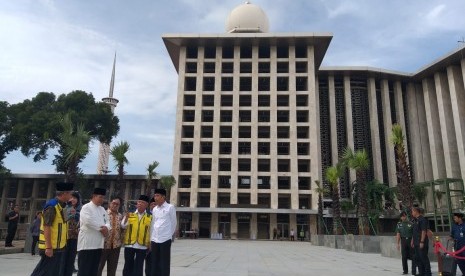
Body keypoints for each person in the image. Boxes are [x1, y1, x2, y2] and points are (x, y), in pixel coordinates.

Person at [31, 182, 74, 276]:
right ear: (64, 193)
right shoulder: (51, 206)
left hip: (59, 246)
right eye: (70, 193)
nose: (71, 196)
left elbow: (69, 218)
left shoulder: (63, 206)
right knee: (42, 272)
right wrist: (48, 247)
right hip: (51, 247)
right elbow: (47, 227)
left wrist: (70, 204)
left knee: (53, 272)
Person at [77, 187, 110, 276]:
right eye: (100, 197)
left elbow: (107, 222)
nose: (102, 199)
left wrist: (106, 228)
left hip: (98, 245)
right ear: (94, 196)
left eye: (103, 198)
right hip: (87, 245)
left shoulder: (102, 209)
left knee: (94, 271)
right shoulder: (86, 207)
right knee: (84, 271)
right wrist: (102, 228)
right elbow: (88, 221)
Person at [122, 195, 152, 276]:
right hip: (130, 244)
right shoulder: (130, 214)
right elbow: (123, 226)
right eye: (139, 202)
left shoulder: (150, 216)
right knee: (128, 266)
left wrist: (150, 243)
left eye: (142, 202)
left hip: (142, 245)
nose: (140, 204)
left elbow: (151, 231)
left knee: (139, 267)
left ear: (146, 205)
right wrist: (126, 218)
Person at [150, 189, 176, 276]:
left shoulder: (170, 207)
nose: (155, 198)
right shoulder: (154, 209)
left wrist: (168, 236)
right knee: (154, 262)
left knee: (164, 263)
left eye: (157, 196)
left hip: (165, 239)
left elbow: (173, 223)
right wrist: (151, 238)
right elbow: (153, 223)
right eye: (154, 196)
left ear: (163, 197)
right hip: (154, 239)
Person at [97, 196, 124, 276]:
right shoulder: (103, 214)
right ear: (110, 203)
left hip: (115, 247)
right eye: (114, 203)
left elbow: (122, 229)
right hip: (103, 245)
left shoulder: (121, 216)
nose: (115, 205)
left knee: (112, 270)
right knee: (99, 268)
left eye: (117, 204)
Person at [61, 191, 81, 276]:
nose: (73, 199)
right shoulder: (64, 207)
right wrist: (68, 208)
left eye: (75, 198)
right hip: (64, 237)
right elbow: (64, 218)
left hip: (75, 237)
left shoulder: (81, 209)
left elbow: (79, 219)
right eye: (71, 197)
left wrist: (74, 212)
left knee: (71, 258)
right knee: (63, 258)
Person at [411, 207, 431, 276]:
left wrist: (422, 242)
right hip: (416, 243)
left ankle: (428, 273)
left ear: (416, 211)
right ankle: (421, 273)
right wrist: (412, 241)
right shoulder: (415, 220)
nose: (412, 213)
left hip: (422, 243)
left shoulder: (422, 219)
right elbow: (414, 232)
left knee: (424, 258)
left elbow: (423, 231)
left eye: (412, 211)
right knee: (418, 259)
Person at [396, 211, 416, 275]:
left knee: (413, 256)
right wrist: (398, 243)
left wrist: (413, 241)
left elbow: (414, 234)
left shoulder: (411, 223)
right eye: (402, 216)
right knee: (404, 256)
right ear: (400, 217)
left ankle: (414, 271)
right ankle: (405, 271)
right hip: (403, 241)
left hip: (410, 240)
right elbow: (398, 234)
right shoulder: (399, 224)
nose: (403, 217)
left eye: (404, 216)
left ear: (406, 216)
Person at [145, 198, 157, 276]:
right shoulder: (146, 215)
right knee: (148, 262)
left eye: (155, 204)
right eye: (152, 204)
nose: (153, 206)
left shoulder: (160, 215)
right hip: (146, 243)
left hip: (157, 242)